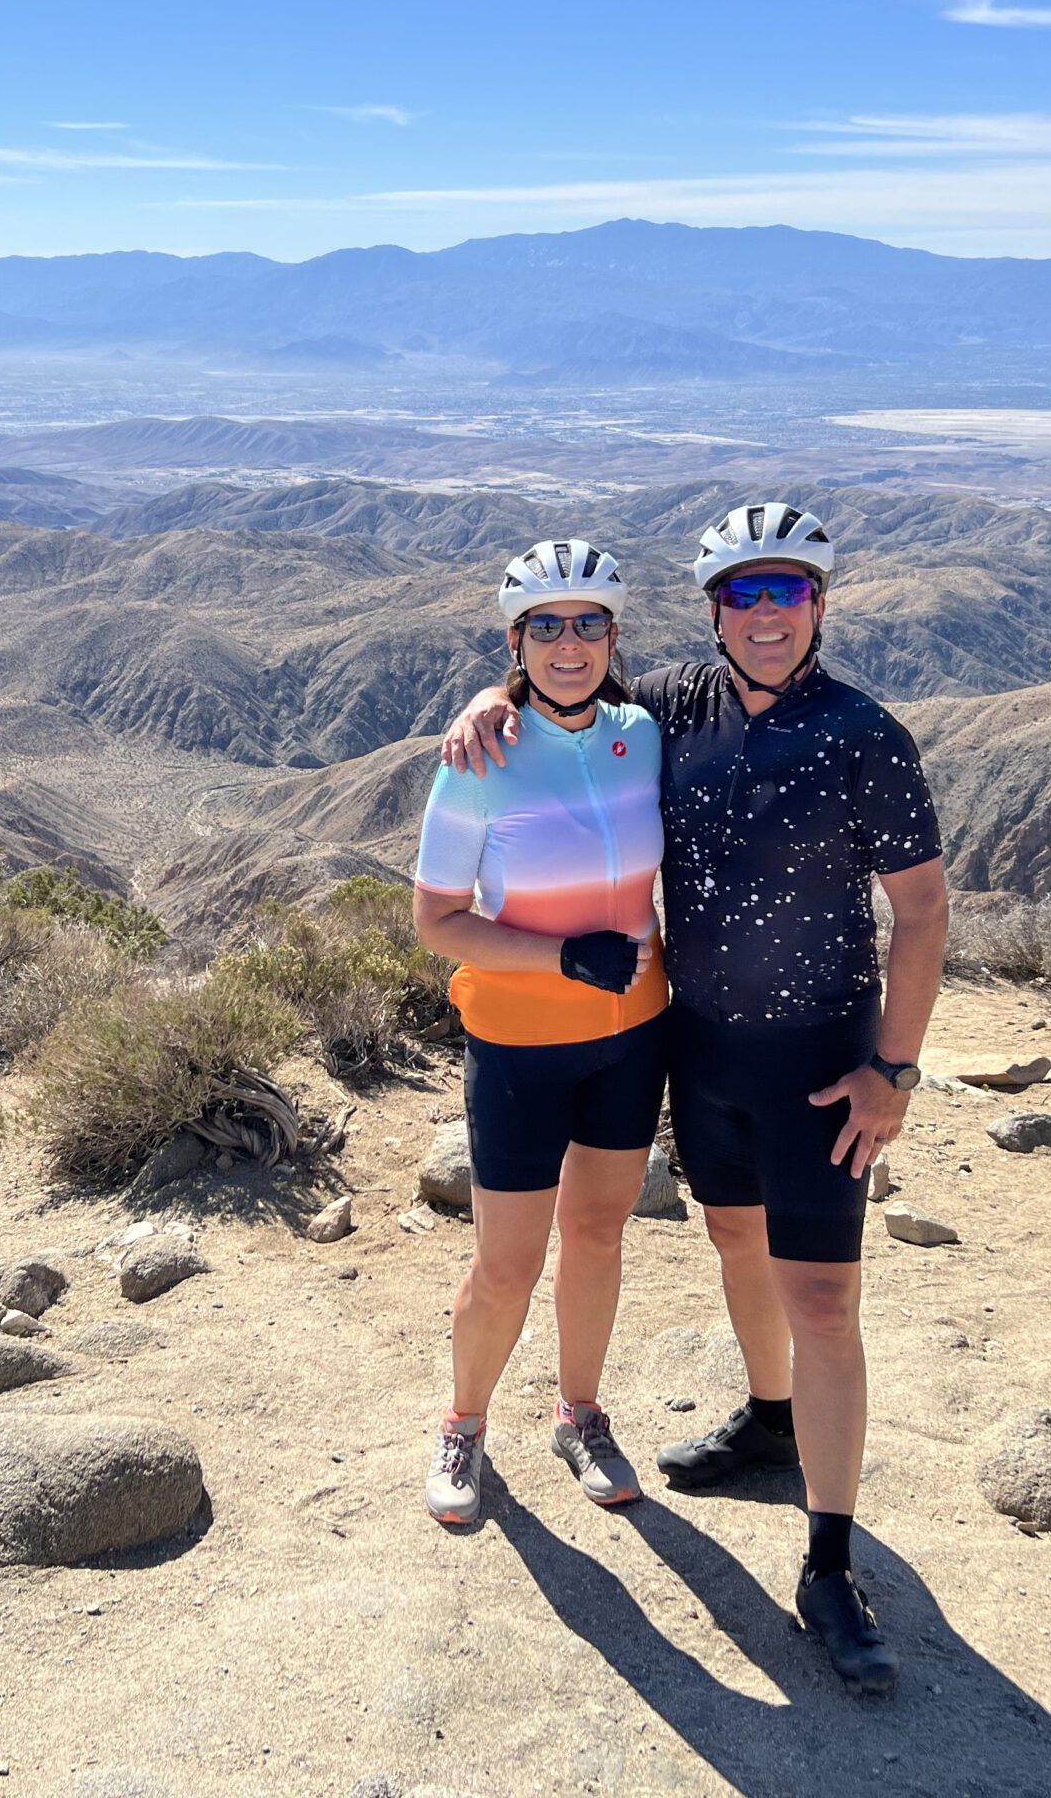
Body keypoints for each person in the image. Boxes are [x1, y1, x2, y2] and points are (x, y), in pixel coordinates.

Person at [440, 502, 949, 1694]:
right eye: (743, 595)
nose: (765, 615)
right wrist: (485, 703)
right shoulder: (673, 706)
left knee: (821, 1300)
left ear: (820, 606)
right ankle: (768, 1418)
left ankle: (827, 1564)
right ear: (715, 610)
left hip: (824, 1058)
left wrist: (895, 1071)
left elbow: (920, 914)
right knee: (730, 1237)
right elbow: (568, 696)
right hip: (698, 1049)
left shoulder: (865, 737)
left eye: (788, 594)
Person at [411, 539, 669, 1529]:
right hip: (519, 1043)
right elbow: (437, 921)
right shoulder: (480, 757)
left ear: (614, 635)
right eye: (547, 627)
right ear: (516, 640)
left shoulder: (643, 732)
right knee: (507, 1263)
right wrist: (560, 961)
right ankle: (464, 1423)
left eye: (590, 623)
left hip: (631, 1035)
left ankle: (580, 1414)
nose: (571, 644)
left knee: (599, 1235)